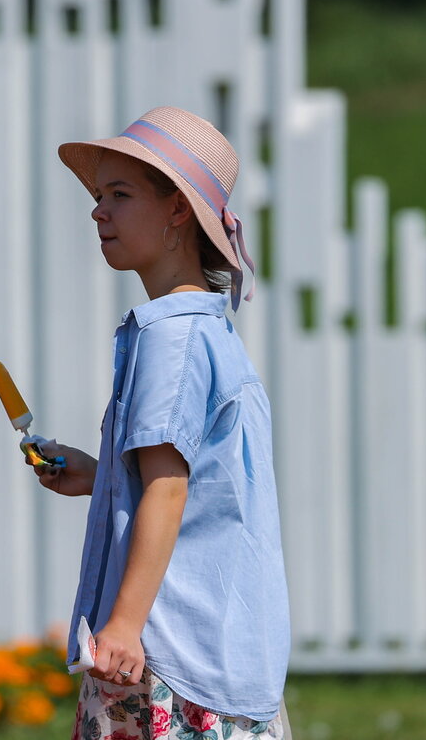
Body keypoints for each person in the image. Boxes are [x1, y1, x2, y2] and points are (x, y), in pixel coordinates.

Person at [30, 107, 290, 739]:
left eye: (120, 195)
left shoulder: (168, 338)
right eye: (99, 195)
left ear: (178, 210)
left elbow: (169, 490)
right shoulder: (206, 328)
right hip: (223, 653)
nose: (99, 212)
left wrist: (123, 624)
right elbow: (194, 480)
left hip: (168, 656)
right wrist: (103, 477)